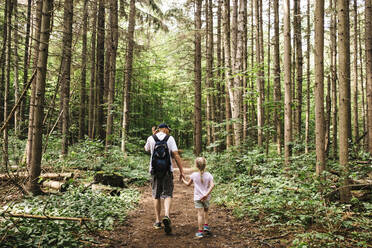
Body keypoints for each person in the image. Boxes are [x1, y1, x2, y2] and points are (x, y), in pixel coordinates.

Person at [144, 123, 184, 234]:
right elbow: (175, 154)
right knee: (168, 194)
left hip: (154, 170)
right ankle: (166, 215)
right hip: (167, 170)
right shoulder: (170, 138)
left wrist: (152, 136)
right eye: (168, 130)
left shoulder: (151, 138)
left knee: (156, 195)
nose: (169, 132)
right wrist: (181, 171)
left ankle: (157, 221)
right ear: (165, 129)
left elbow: (146, 149)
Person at [182, 157, 215, 239]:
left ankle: (200, 232)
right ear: (205, 165)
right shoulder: (209, 175)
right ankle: (206, 226)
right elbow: (212, 185)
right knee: (206, 211)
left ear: (196, 166)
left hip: (197, 198)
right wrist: (206, 194)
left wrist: (183, 179)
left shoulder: (194, 175)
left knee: (200, 214)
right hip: (206, 198)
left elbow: (188, 184)